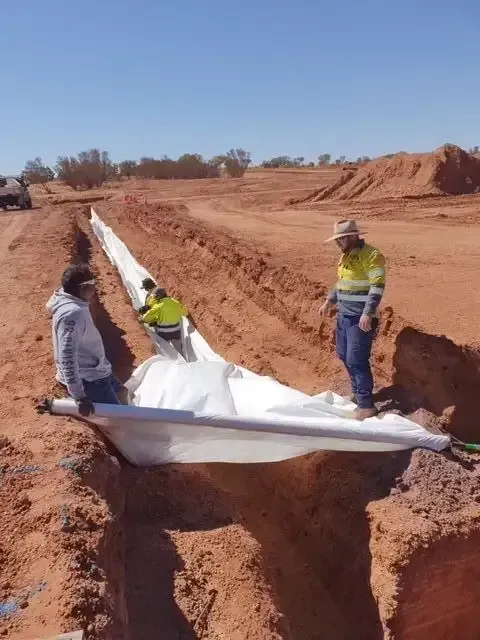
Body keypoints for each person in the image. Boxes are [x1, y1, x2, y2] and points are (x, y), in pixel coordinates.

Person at [319, 220, 386, 420]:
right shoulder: (346, 255)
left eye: (340, 239)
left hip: (360, 318)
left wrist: (368, 312)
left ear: (352, 237)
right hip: (344, 315)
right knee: (343, 354)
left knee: (356, 359)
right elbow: (342, 283)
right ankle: (358, 393)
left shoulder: (372, 255)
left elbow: (377, 286)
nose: (337, 243)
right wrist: (329, 301)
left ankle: (366, 406)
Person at [47, 264, 127, 417]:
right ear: (82, 288)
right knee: (117, 417)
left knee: (123, 392)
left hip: (100, 370)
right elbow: (67, 356)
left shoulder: (66, 297)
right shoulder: (73, 314)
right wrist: (79, 395)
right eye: (92, 284)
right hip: (90, 380)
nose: (95, 288)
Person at [140, 287, 188, 355]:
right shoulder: (175, 303)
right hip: (176, 332)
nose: (155, 298)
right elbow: (185, 313)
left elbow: (146, 318)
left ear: (159, 296)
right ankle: (184, 363)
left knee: (165, 352)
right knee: (180, 351)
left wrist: (143, 319)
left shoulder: (158, 306)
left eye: (156, 296)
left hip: (164, 334)